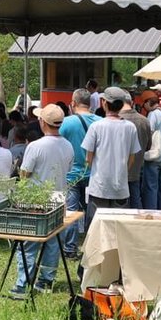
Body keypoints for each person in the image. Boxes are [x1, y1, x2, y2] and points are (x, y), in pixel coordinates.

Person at [10, 104, 74, 300]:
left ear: (42, 122)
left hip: (35, 200)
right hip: (59, 198)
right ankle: (45, 280)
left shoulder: (35, 146)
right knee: (53, 242)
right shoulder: (68, 145)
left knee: (29, 243)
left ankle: (23, 283)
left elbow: (24, 173)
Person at [81, 87, 141, 229]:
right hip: (120, 186)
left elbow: (88, 158)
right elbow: (131, 158)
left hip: (99, 186)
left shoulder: (96, 126)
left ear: (104, 103)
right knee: (118, 229)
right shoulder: (130, 127)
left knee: (96, 228)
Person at [58, 88, 99, 256]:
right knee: (93, 213)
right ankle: (92, 248)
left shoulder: (66, 122)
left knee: (71, 212)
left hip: (72, 175)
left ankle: (70, 248)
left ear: (73, 103)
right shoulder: (100, 122)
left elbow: (58, 144)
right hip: (94, 175)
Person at [119, 90, 151, 209]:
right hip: (137, 167)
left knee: (119, 204)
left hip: (118, 170)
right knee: (135, 200)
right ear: (132, 102)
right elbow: (148, 146)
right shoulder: (144, 120)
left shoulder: (115, 120)